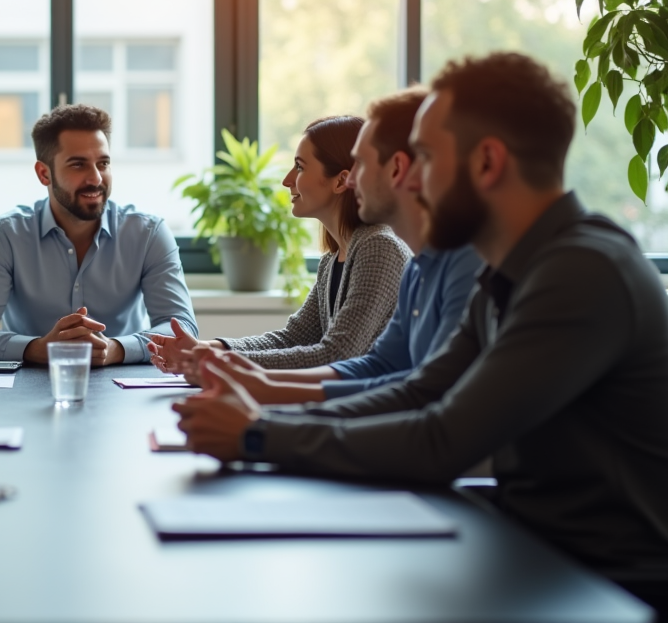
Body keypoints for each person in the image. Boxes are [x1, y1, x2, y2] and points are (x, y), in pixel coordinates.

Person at [174, 52, 668, 606]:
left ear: (487, 163)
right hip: (529, 547)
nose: (410, 177)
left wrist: (258, 435)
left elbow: (443, 437)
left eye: (427, 157)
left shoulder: (582, 271)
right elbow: (418, 389)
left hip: (605, 585)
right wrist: (260, 418)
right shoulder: (510, 271)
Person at [197, 90, 480, 404]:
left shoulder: (390, 250)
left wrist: (235, 376)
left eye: (359, 164)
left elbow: (346, 357)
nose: (351, 180)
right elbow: (377, 366)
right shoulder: (413, 267)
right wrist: (221, 356)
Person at [151, 115, 410, 376]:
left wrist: (214, 364)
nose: (287, 180)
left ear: (341, 181)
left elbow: (337, 354)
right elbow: (292, 339)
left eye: (299, 167)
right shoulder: (332, 261)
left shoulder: (378, 248)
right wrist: (206, 349)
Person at [0, 104, 197, 365]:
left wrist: (115, 349)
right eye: (78, 165)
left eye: (103, 163)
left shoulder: (148, 234)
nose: (95, 178)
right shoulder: (4, 236)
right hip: (31, 383)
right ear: (44, 173)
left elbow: (181, 329)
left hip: (126, 383)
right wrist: (38, 348)